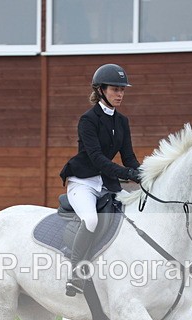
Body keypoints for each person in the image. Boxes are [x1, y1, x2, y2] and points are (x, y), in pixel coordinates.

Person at [59, 63, 141, 296]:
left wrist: (144, 175)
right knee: (91, 220)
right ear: (101, 90)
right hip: (83, 182)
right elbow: (96, 159)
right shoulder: (88, 120)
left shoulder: (122, 121)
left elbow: (129, 157)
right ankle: (76, 274)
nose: (120, 94)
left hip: (106, 183)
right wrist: (127, 174)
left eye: (122, 90)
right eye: (115, 89)